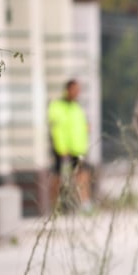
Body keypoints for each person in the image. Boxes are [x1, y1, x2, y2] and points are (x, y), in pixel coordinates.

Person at [47, 79, 91, 211]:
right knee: (58, 177)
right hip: (62, 149)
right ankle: (54, 206)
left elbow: (79, 128)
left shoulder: (77, 108)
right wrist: (61, 148)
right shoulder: (57, 106)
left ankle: (85, 204)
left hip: (77, 149)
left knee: (83, 175)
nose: (77, 93)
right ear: (67, 90)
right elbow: (56, 128)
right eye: (75, 90)